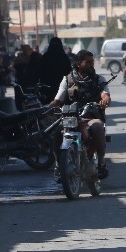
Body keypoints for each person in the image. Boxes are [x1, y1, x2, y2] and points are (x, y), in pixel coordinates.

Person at [50, 50, 112, 180]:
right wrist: (46, 109)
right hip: (71, 118)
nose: (91, 65)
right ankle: (58, 164)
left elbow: (105, 95)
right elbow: (57, 101)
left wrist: (105, 100)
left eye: (92, 62)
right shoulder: (67, 80)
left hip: (91, 117)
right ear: (78, 63)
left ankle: (101, 163)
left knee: (97, 127)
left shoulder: (99, 79)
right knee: (56, 133)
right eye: (88, 62)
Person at [37, 38, 73, 103]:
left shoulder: (46, 56)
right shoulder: (64, 57)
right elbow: (68, 71)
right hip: (60, 85)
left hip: (48, 85)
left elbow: (40, 71)